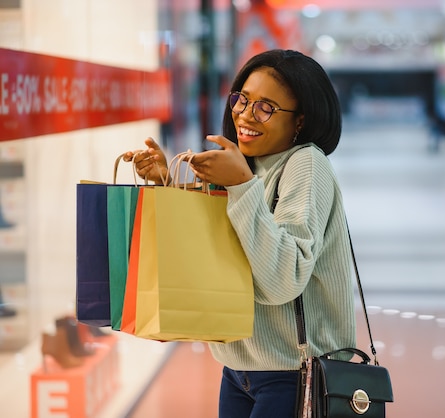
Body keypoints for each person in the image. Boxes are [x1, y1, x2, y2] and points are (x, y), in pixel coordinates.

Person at [125, 49, 356, 418]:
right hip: (238, 369)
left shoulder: (305, 163)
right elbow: (223, 247)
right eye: (242, 100)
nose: (245, 115)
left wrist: (242, 186)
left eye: (266, 107)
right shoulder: (248, 166)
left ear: (300, 121)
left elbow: (283, 279)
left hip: (297, 373)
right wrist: (166, 181)